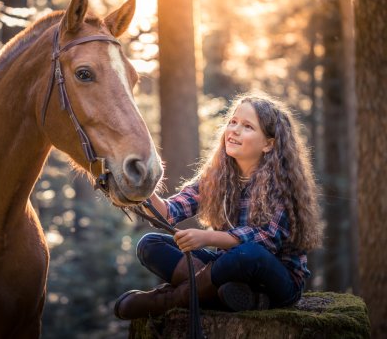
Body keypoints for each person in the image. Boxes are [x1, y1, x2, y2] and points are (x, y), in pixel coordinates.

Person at [114, 92, 323, 320]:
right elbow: (169, 212)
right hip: (226, 271)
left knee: (248, 254)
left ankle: (169, 300)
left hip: (277, 281)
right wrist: (141, 186)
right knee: (150, 244)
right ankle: (235, 298)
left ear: (268, 144)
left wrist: (207, 238)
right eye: (232, 122)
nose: (233, 130)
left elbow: (264, 239)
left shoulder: (284, 184)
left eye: (247, 126)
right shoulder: (218, 175)